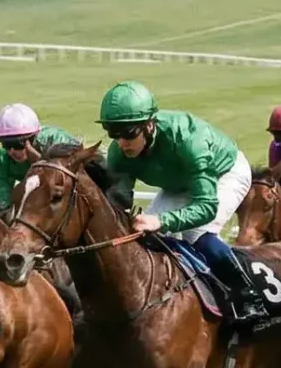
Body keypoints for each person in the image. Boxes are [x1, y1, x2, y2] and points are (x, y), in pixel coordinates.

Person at [95, 80, 263, 324]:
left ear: (149, 125)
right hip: (179, 183)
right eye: (114, 133)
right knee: (142, 237)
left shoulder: (188, 140)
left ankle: (249, 294)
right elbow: (118, 202)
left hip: (223, 173)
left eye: (129, 133)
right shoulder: (119, 153)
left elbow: (206, 207)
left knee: (197, 233)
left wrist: (162, 220)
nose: (122, 143)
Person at [0, 103, 80, 216]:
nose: (11, 151)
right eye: (6, 145)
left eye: (16, 145)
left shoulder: (57, 141)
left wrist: (40, 160)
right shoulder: (3, 157)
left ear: (32, 138)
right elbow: (2, 200)